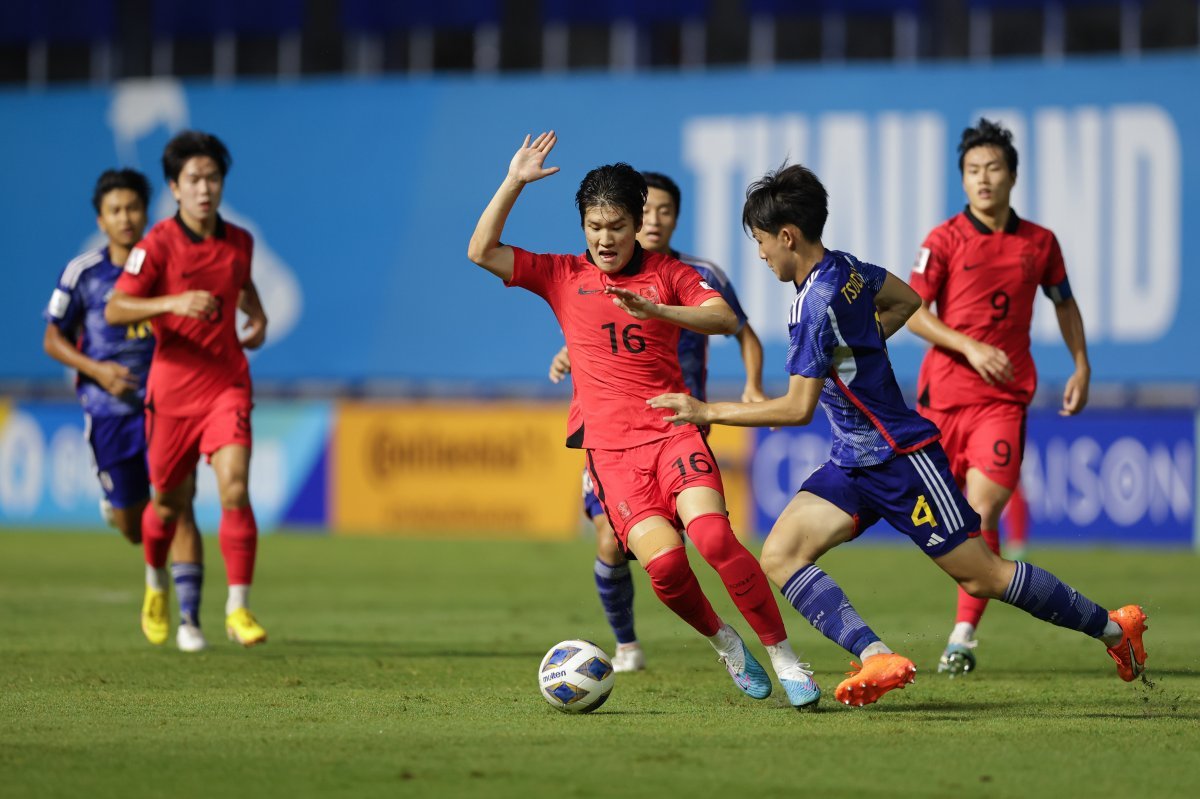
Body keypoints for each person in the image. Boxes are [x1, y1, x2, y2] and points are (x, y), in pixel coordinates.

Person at [648, 163, 1147, 707]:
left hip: (902, 457)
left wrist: (704, 409)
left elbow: (795, 408)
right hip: (854, 461)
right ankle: (875, 655)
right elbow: (907, 301)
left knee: (983, 577)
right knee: (782, 553)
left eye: (763, 241)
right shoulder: (849, 268)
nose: (762, 253)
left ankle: (1115, 630)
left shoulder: (811, 307)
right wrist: (860, 348)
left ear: (787, 236)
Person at [468, 132, 819, 709]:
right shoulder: (560, 274)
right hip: (612, 455)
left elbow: (722, 316)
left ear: (638, 225)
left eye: (617, 227)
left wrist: (657, 309)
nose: (606, 240)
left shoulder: (668, 274)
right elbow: (481, 250)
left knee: (713, 538)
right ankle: (727, 643)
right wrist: (514, 181)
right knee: (667, 568)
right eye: (595, 227)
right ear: (584, 225)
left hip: (672, 432)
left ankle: (785, 655)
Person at [547, 171, 766, 674]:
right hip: (611, 432)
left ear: (674, 218)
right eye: (648, 211)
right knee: (609, 538)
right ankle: (627, 645)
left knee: (694, 539)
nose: (654, 220)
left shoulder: (691, 273)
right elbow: (596, 327)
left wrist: (753, 384)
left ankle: (744, 641)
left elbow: (742, 332)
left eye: (665, 211)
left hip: (678, 422)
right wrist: (568, 353)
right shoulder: (598, 273)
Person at [906, 118, 1091, 676]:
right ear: (962, 180)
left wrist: (1081, 363)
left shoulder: (1040, 243)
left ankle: (962, 636)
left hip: (1002, 402)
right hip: (940, 403)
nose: (982, 180)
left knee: (983, 510)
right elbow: (912, 311)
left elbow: (1063, 302)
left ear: (1012, 176)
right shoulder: (941, 241)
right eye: (972, 171)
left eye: (992, 169)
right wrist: (969, 345)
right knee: (939, 521)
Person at [105, 131, 269, 648]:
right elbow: (115, 307)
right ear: (174, 188)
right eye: (194, 180)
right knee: (169, 507)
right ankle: (155, 584)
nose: (205, 189)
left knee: (235, 487)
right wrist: (170, 304)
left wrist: (257, 313)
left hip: (226, 383)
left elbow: (242, 281)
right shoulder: (155, 245)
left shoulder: (240, 239)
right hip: (172, 393)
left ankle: (238, 608)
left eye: (213, 178)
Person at [43, 169, 208, 652]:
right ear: (102, 218)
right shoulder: (83, 274)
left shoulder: (166, 265)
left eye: (134, 208)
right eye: (116, 210)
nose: (126, 218)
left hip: (167, 405)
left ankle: (190, 621)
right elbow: (52, 338)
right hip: (109, 409)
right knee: (136, 528)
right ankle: (118, 514)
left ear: (146, 210)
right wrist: (96, 369)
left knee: (179, 506)